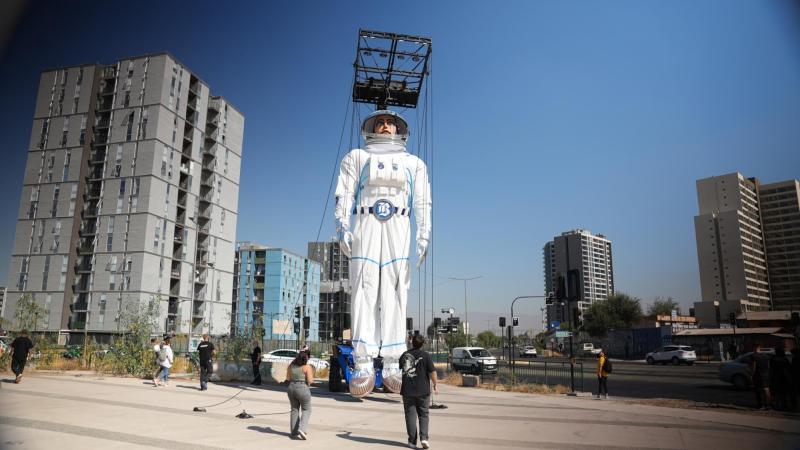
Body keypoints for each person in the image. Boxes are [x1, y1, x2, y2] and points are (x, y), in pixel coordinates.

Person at [334, 109, 432, 396]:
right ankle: (362, 363)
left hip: (399, 225)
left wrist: (424, 233)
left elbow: (424, 202)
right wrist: (341, 225)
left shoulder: (414, 164)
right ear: (371, 129)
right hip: (366, 222)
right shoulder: (357, 157)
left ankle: (392, 363)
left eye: (390, 122)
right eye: (380, 122)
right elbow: (344, 192)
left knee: (395, 288)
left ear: (399, 129)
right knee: (364, 288)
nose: (386, 126)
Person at [400, 334, 438, 449]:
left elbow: (402, 368)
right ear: (422, 344)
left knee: (410, 416)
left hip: (407, 391)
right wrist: (435, 384)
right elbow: (433, 372)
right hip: (423, 390)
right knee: (423, 414)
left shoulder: (404, 355)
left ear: (412, 342)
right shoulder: (426, 356)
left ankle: (412, 441)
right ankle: (424, 438)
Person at [285, 350, 314, 440]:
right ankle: (302, 429)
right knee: (306, 409)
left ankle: (294, 432)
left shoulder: (291, 366)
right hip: (302, 388)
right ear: (305, 359)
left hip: (291, 388)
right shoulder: (307, 367)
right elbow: (310, 381)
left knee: (294, 410)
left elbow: (288, 378)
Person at [744, 342, 772, 409]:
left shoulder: (753, 356)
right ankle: (768, 405)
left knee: (759, 390)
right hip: (766, 374)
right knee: (766, 389)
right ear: (760, 347)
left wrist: (751, 375)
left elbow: (753, 367)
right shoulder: (765, 355)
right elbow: (768, 366)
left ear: (754, 347)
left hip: (758, 375)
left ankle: (761, 405)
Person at [769, 347, 792, 411]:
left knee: (777, 393)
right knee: (783, 394)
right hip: (783, 378)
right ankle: (784, 406)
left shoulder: (773, 359)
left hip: (776, 378)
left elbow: (771, 369)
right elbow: (788, 370)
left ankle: (777, 406)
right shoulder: (785, 360)